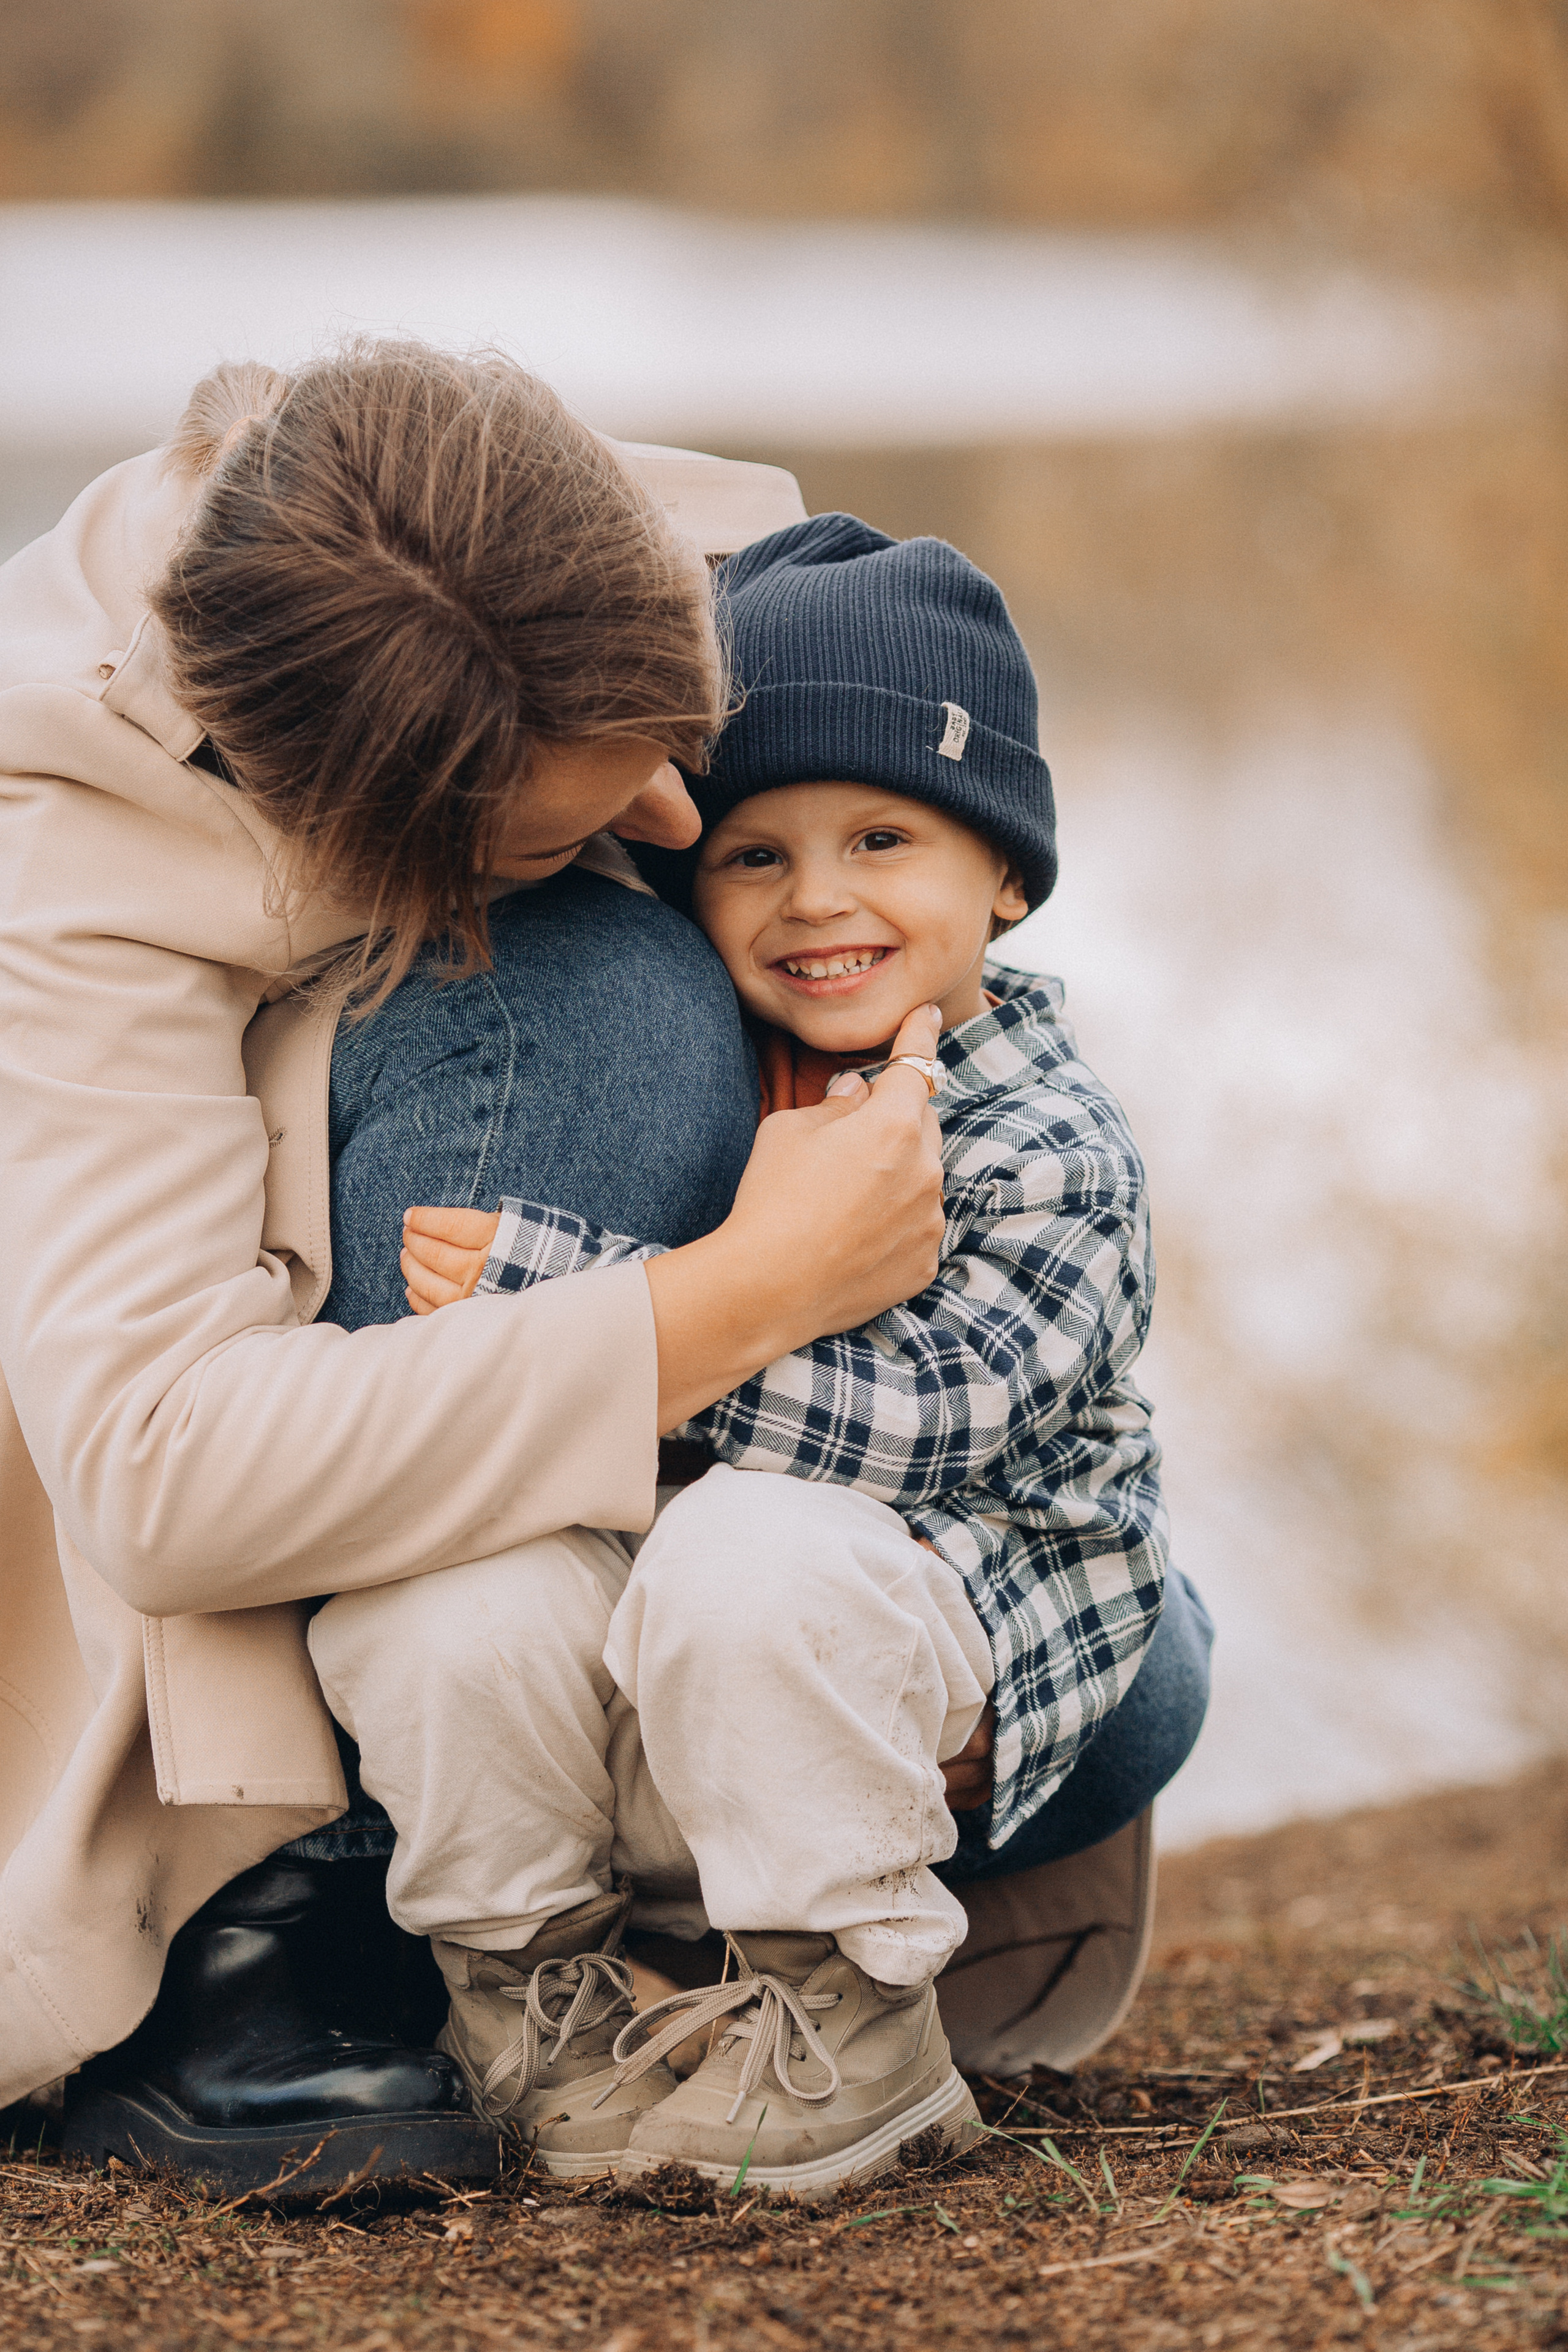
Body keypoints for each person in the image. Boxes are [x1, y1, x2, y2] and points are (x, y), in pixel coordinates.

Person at [0, 342, 948, 2198]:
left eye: (677, 752)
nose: (683, 827)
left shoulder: (547, 553)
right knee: (585, 990)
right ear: (330, 818)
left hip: (734, 1553)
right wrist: (740, 1295)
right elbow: (156, 1468)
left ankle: (712, 1777)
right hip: (197, 1463)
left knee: (1142, 1675)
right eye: (569, 816)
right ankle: (309, 1892)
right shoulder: (67, 846)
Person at [346, 515, 1212, 2200]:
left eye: (883, 837)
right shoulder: (714, 1091)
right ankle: (535, 2009)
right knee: (444, 1594)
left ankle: (847, 2027)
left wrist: (580, 1307)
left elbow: (926, 1423)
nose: (819, 898)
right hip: (715, 1694)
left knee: (757, 1546)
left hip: (934, 1675)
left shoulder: (1052, 1143)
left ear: (1006, 878)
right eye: (753, 855)